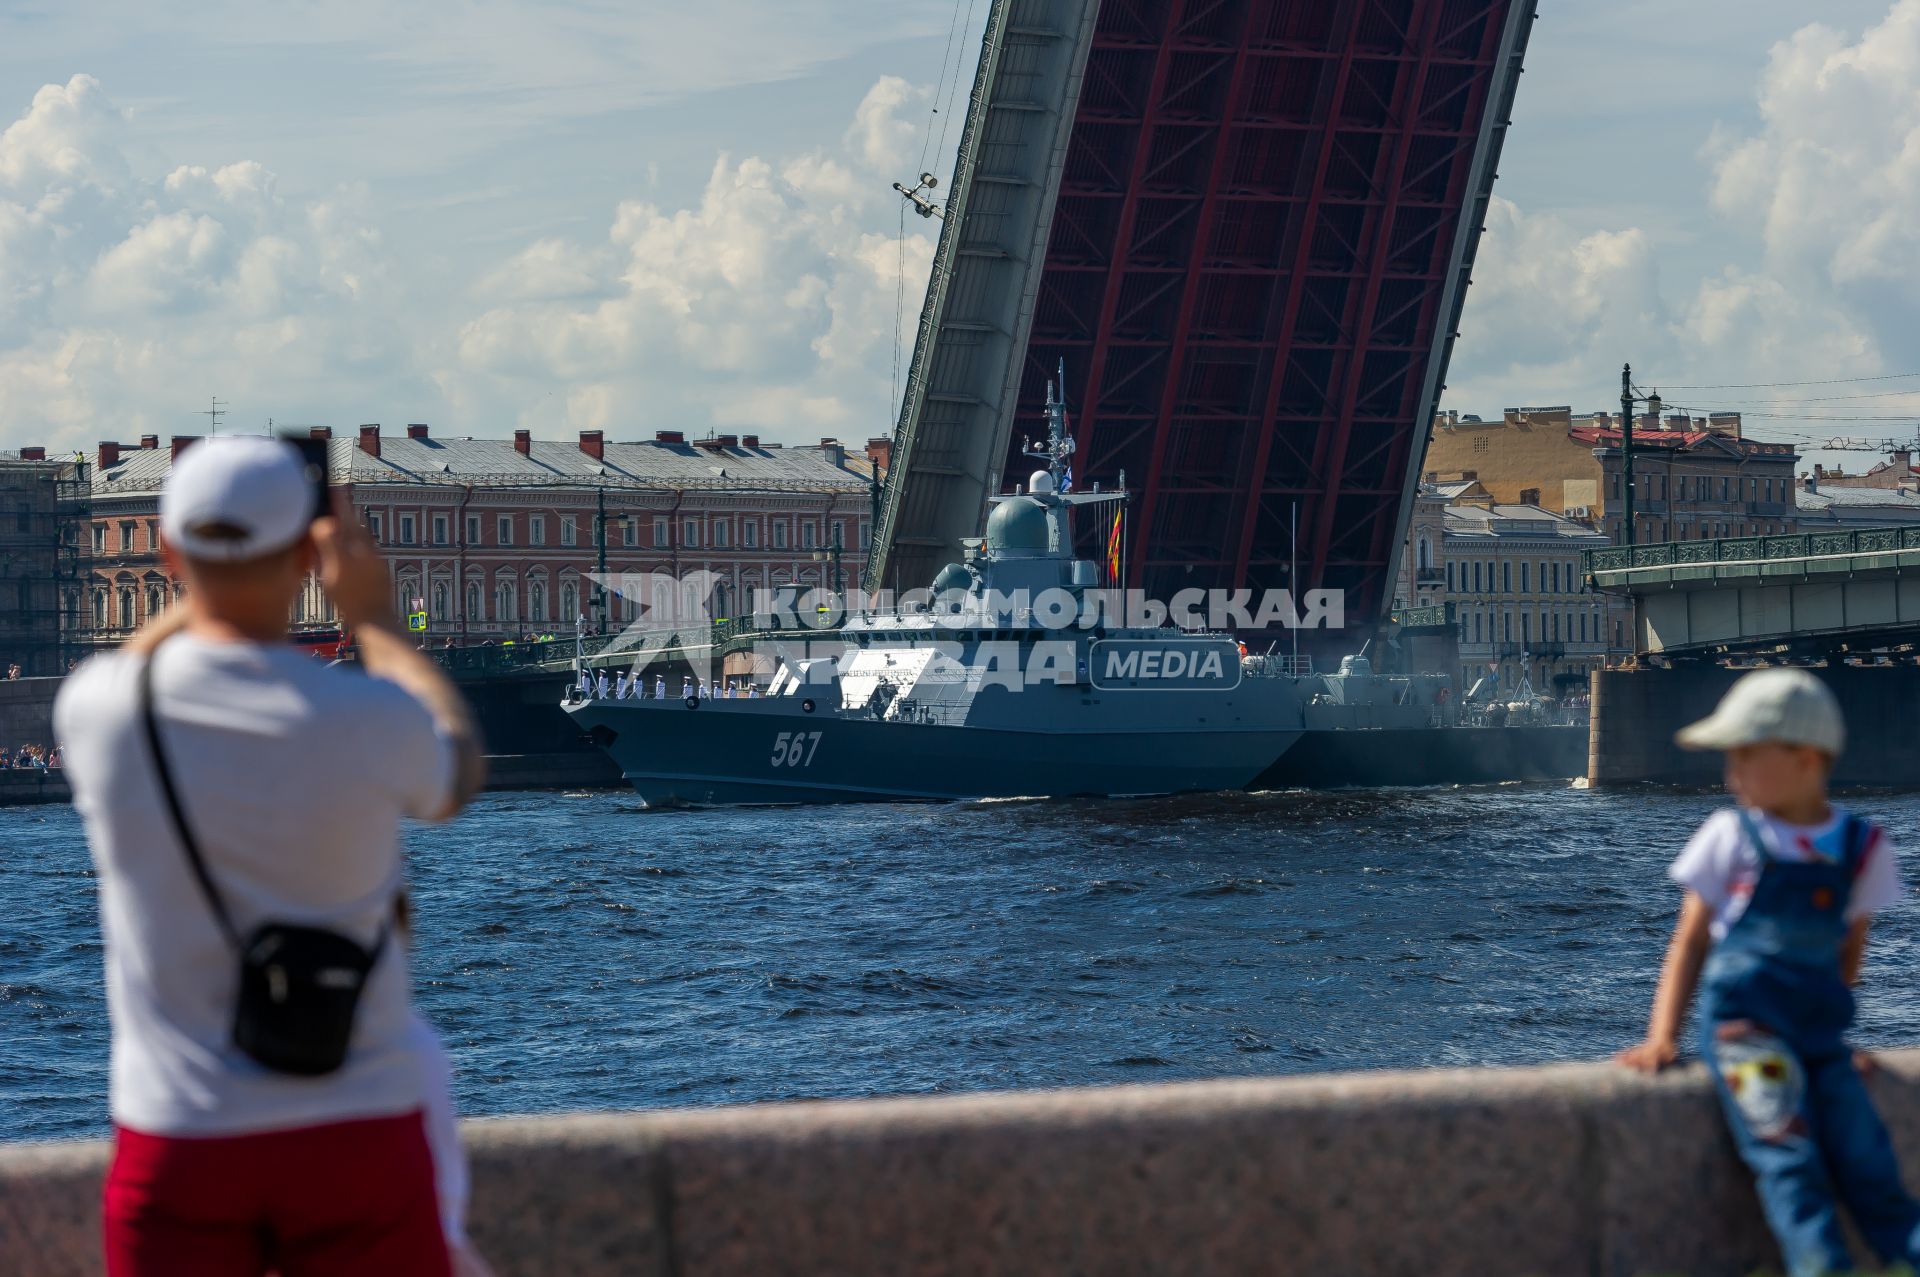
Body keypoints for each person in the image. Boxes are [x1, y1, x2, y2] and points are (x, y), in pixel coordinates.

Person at [55, 436, 487, 1277]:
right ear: (305, 551)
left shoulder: (100, 710)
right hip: (357, 1126)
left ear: (168, 551)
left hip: (178, 1133)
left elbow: (149, 649)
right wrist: (371, 617)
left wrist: (215, 575)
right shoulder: (364, 716)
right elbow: (457, 768)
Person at [1618, 668, 1919, 1277]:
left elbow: (1851, 947)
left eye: (1745, 756)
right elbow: (1690, 942)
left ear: (1807, 759)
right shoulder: (1730, 834)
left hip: (1816, 1039)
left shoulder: (1863, 846)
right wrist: (1663, 1037)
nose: (1730, 773)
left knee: (1868, 1159)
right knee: (1789, 1161)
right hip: (1743, 1038)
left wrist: (1832, 1032)